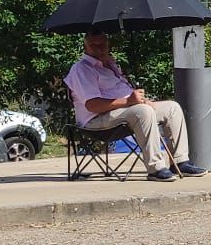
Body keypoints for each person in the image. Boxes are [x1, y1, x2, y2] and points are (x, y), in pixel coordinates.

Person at [65, 32, 202, 182]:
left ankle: (180, 162)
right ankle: (155, 168)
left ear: (108, 45)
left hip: (126, 112)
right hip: (96, 121)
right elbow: (92, 105)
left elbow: (127, 96)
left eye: (102, 44)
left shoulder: (111, 65)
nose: (99, 48)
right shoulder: (81, 69)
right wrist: (130, 101)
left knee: (172, 108)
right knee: (143, 111)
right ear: (85, 47)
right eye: (94, 45)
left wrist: (141, 100)